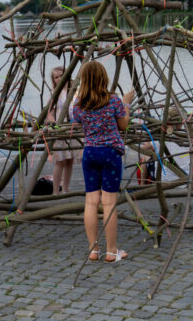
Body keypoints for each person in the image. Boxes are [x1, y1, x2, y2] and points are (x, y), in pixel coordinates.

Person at [69, 61, 135, 263]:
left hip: (89, 153)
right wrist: (126, 103)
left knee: (90, 202)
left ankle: (93, 250)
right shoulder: (113, 101)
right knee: (109, 203)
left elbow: (76, 120)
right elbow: (123, 125)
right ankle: (111, 251)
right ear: (103, 78)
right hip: (110, 153)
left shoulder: (79, 105)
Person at [46, 66, 77, 194]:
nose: (59, 79)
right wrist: (53, 121)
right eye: (56, 77)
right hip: (60, 128)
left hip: (73, 128)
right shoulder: (55, 93)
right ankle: (55, 191)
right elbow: (49, 112)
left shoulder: (75, 91)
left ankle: (65, 189)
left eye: (61, 75)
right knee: (60, 161)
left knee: (70, 160)